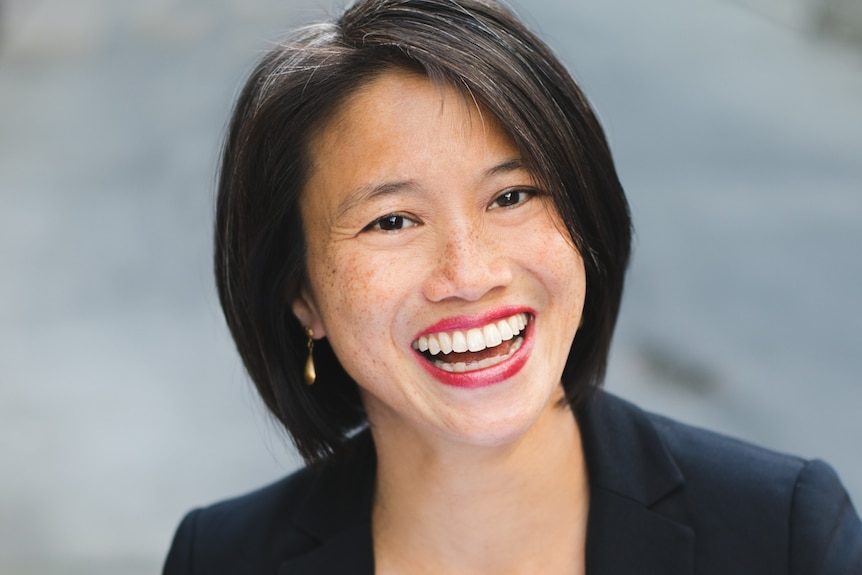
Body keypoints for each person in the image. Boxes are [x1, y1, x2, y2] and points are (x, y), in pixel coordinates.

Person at [163, 0, 862, 573]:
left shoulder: (784, 535)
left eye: (512, 196)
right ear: (301, 293)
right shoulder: (222, 557)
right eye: (393, 219)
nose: (469, 274)